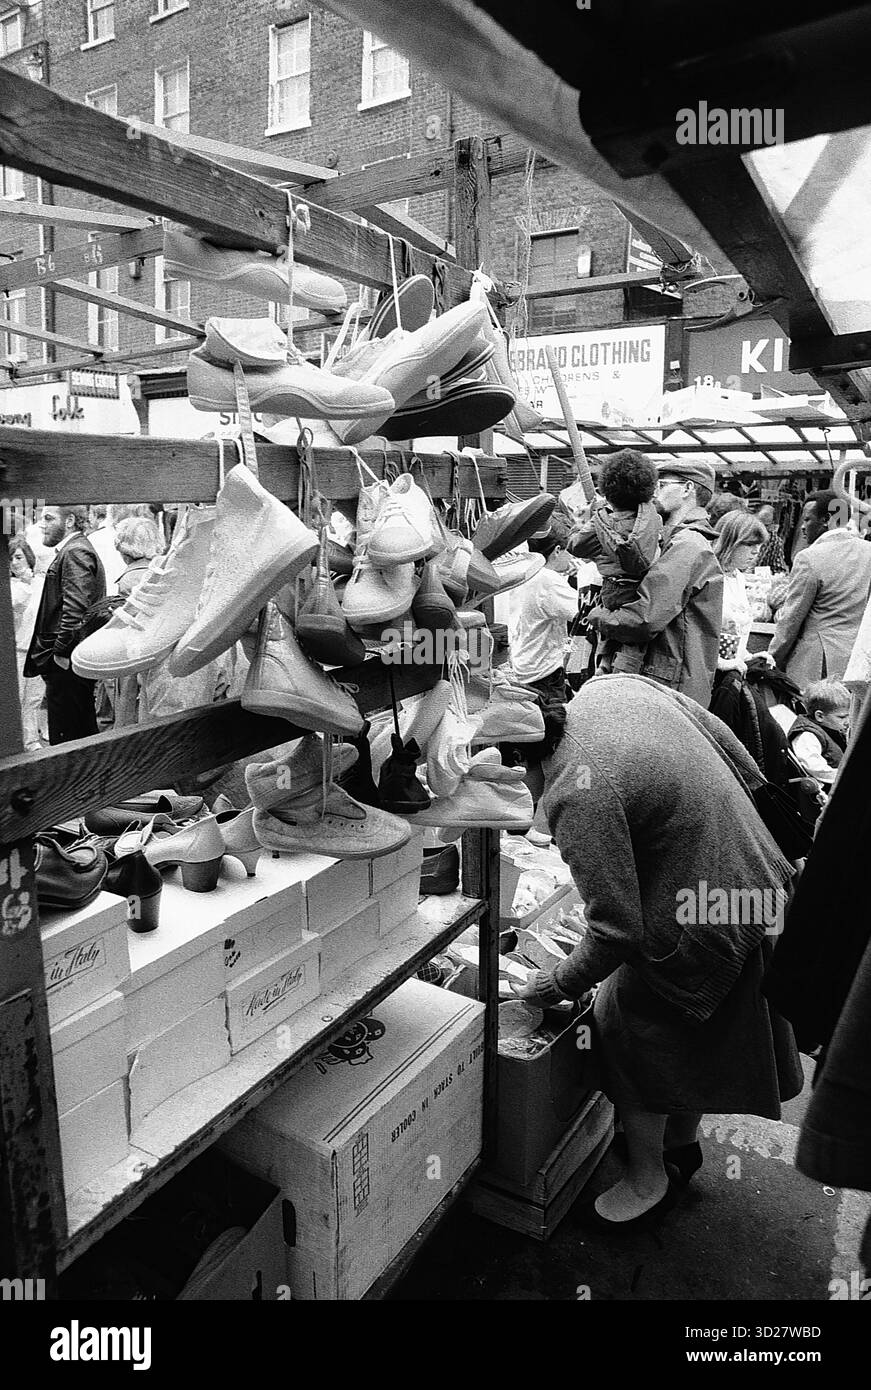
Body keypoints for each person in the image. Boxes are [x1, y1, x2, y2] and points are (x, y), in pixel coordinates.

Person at [516, 674, 802, 1227]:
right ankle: (680, 1143)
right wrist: (755, 805)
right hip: (758, 874)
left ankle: (648, 1179)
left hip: (714, 909)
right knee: (692, 1031)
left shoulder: (577, 790)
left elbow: (616, 931)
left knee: (626, 1025)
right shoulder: (606, 689)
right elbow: (720, 733)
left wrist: (552, 985)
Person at [588, 460, 724, 707]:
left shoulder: (688, 545)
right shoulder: (673, 540)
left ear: (687, 489)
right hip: (665, 683)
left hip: (669, 688)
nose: (652, 493)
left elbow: (643, 619)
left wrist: (597, 616)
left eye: (661, 485)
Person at [568, 448, 661, 674]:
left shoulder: (602, 520)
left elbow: (576, 546)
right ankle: (625, 669)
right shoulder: (653, 519)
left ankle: (604, 663)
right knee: (632, 640)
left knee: (608, 628)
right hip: (641, 589)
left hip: (612, 588)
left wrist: (587, 522)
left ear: (607, 489)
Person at [770, 489, 871, 685]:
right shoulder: (868, 552)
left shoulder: (809, 558)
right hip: (857, 661)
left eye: (807, 519)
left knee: (808, 714)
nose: (802, 528)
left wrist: (772, 658)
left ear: (826, 520)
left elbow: (791, 620)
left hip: (816, 662)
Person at [24, 504, 106, 744]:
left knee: (70, 732)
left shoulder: (74, 552)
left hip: (67, 660)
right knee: (77, 727)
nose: (42, 524)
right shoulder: (74, 549)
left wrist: (61, 651)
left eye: (49, 518)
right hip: (70, 658)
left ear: (69, 521)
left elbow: (75, 609)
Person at [508, 515, 577, 708]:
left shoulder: (525, 571)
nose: (572, 558)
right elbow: (581, 613)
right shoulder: (548, 581)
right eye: (569, 551)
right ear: (557, 551)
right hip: (544, 674)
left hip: (522, 664)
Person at [712, 510, 768, 672]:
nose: (756, 551)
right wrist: (720, 663)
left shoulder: (738, 577)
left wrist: (749, 657)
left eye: (759, 545)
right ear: (730, 542)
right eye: (750, 544)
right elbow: (696, 632)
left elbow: (735, 632)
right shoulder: (709, 575)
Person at [8, 536, 44, 752]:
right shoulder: (10, 587)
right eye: (11, 558)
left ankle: (31, 740)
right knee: (17, 699)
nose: (15, 562)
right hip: (18, 650)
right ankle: (15, 743)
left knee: (34, 698)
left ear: (28, 557)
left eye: (19, 557)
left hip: (37, 649)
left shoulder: (41, 583)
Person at [787, 679, 850, 787]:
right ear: (820, 716)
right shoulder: (807, 735)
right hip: (832, 788)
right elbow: (814, 766)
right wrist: (845, 778)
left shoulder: (830, 727)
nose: (847, 721)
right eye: (842, 717)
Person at [86, 504, 126, 596]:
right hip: (119, 593)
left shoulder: (92, 539)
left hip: (103, 596)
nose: (88, 519)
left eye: (90, 514)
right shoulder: (119, 535)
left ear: (99, 517)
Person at [755, 503, 788, 573]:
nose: (761, 528)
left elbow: (779, 569)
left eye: (766, 525)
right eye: (759, 524)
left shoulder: (775, 541)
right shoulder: (743, 534)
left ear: (772, 524)